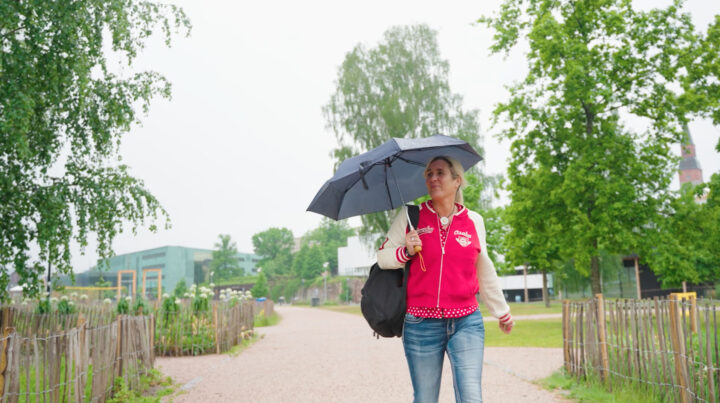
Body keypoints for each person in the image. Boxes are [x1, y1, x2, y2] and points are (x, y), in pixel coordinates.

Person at [377, 155, 514, 403]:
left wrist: (501, 311)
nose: (433, 178)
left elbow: (484, 267)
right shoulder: (411, 216)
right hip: (421, 324)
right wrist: (405, 252)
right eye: (429, 174)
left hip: (466, 322)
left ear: (457, 181)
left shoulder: (474, 221)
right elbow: (383, 257)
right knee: (426, 398)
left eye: (440, 173)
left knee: (471, 396)